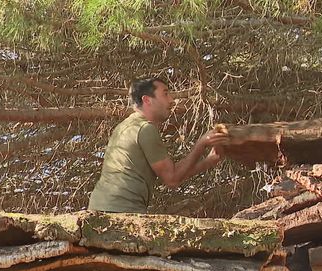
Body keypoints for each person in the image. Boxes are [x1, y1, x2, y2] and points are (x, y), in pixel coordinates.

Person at [88, 77, 229, 213]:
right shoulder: (145, 129)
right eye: (165, 94)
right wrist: (201, 144)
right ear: (147, 100)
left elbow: (172, 174)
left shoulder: (125, 126)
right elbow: (172, 179)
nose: (172, 100)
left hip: (103, 207)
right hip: (119, 211)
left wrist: (209, 161)